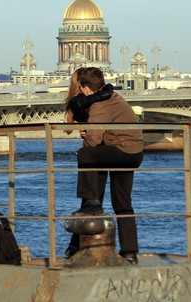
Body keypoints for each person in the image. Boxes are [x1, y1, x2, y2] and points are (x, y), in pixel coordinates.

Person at [71, 67, 144, 265]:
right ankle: (130, 252)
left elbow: (92, 143)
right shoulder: (113, 96)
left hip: (121, 150)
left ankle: (91, 207)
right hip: (132, 151)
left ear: (85, 89)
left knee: (85, 154)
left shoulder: (99, 105)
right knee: (123, 203)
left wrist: (87, 135)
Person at [64, 68, 114, 257]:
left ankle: (75, 246)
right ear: (82, 86)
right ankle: (78, 247)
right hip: (96, 151)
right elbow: (99, 97)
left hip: (96, 150)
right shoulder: (81, 100)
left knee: (90, 203)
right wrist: (107, 90)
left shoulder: (76, 102)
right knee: (92, 202)